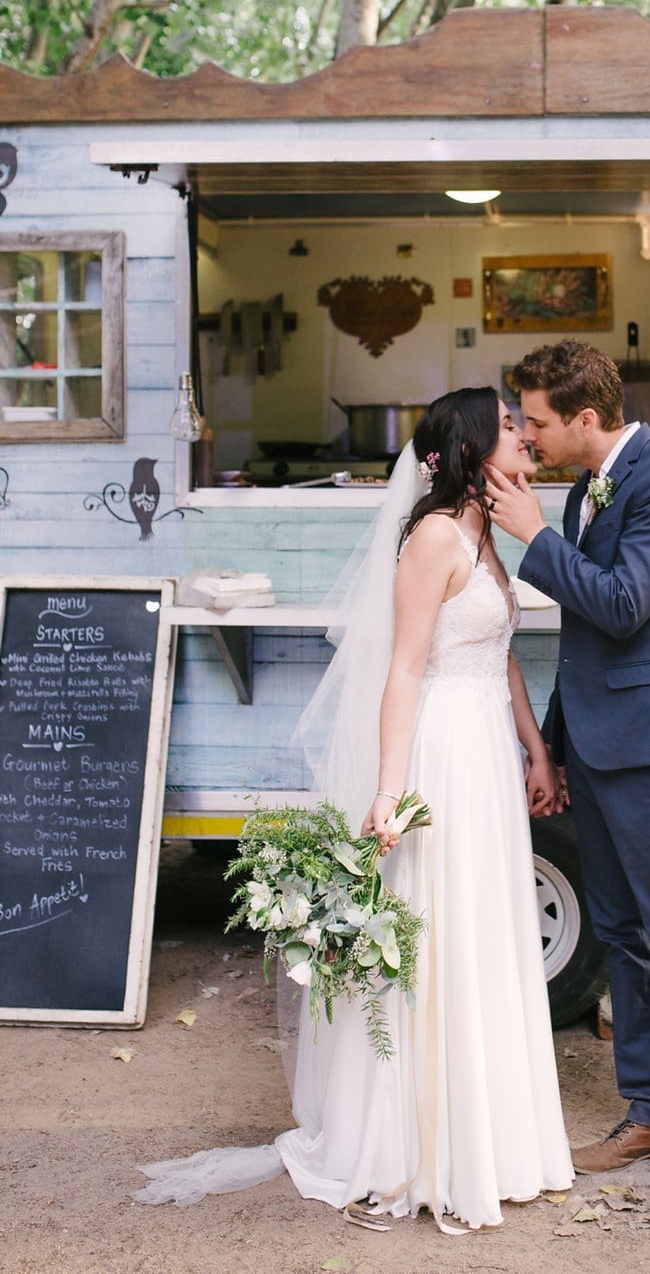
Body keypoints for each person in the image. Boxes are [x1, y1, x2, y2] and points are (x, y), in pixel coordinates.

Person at [136, 387, 573, 1232]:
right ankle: (413, 1149)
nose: (525, 436)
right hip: (440, 756)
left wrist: (538, 749)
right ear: (477, 448)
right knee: (436, 934)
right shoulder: (434, 537)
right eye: (512, 426)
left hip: (487, 752)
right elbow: (404, 669)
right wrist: (388, 791)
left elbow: (504, 657)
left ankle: (498, 1143)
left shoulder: (489, 538)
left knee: (484, 934)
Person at [484, 340, 650, 1218]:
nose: (526, 433)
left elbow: (626, 603)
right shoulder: (580, 486)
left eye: (539, 421)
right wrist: (549, 750)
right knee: (624, 937)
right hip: (593, 746)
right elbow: (586, 638)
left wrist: (533, 540)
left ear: (586, 418)